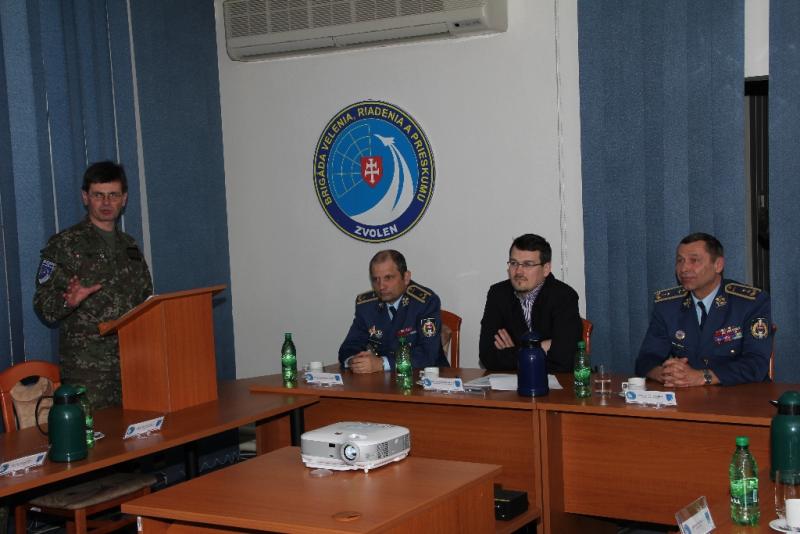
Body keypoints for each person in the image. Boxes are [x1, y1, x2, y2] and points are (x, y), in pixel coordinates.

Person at [34, 161, 153, 409]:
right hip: (89, 370)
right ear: (85, 197)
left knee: (138, 428)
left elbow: (146, 299)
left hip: (134, 362)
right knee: (96, 433)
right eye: (98, 195)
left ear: (124, 199)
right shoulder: (64, 244)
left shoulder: (129, 246)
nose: (106, 202)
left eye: (113, 195)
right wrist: (69, 301)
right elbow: (43, 306)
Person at [636, 232, 771, 387]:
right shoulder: (667, 305)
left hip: (740, 394)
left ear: (718, 265)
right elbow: (646, 359)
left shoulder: (750, 303)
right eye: (680, 260)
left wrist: (703, 377)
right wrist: (665, 374)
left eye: (694, 260)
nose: (684, 268)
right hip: (688, 396)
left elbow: (756, 364)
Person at [479, 234, 582, 373]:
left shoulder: (564, 297)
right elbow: (487, 356)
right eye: (514, 263)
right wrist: (540, 347)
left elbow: (564, 360)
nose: (518, 271)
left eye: (528, 264)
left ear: (546, 269)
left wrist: (514, 352)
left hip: (555, 384)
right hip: (511, 383)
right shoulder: (498, 294)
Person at [338, 250, 449, 373]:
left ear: (406, 277)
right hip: (382, 380)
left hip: (425, 378)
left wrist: (382, 363)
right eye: (375, 279)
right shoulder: (366, 306)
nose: (381, 286)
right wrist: (354, 361)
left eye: (388, 278)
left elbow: (428, 355)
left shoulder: (425, 302)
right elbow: (349, 346)